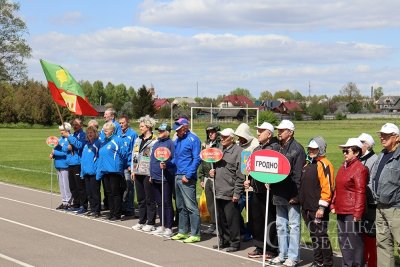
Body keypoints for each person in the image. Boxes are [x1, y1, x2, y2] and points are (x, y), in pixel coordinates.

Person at [268, 120, 306, 267]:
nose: (279, 132)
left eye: (282, 130)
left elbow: (298, 175)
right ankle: (282, 254)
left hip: (292, 194)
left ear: (290, 132)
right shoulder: (278, 148)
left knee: (294, 226)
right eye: (279, 130)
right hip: (278, 192)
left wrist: (296, 196)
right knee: (280, 225)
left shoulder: (297, 149)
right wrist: (269, 180)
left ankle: (293, 257)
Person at [331, 138, 368, 267]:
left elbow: (360, 192)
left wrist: (357, 213)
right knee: (343, 241)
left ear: (356, 153)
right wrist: (333, 204)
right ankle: (347, 264)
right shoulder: (343, 167)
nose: (344, 153)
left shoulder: (359, 169)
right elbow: (338, 188)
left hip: (352, 211)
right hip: (341, 209)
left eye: (347, 151)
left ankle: (357, 264)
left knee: (355, 242)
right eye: (344, 151)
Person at [245, 122, 280, 260]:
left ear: (269, 134)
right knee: (257, 219)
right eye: (258, 130)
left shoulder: (275, 149)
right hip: (257, 190)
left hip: (270, 191)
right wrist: (249, 181)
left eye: (261, 131)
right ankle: (260, 246)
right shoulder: (256, 149)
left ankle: (272, 248)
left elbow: (279, 170)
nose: (258, 133)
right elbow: (252, 168)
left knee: (270, 220)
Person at [299, 137, 334, 267]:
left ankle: (328, 263)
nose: (311, 151)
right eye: (310, 148)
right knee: (314, 236)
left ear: (321, 149)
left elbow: (327, 187)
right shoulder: (308, 163)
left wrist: (322, 207)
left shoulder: (324, 164)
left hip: (317, 208)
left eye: (314, 149)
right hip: (307, 207)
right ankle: (318, 260)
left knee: (321, 236)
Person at [369, 123, 400, 267]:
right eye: (381, 135)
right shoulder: (382, 154)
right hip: (380, 207)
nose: (382, 137)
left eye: (386, 135)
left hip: (396, 208)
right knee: (382, 245)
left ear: (397, 137)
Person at [209, 128, 244, 252]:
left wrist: (237, 193)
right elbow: (217, 167)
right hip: (218, 190)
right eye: (221, 137)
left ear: (232, 138)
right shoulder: (219, 150)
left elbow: (241, 175)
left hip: (230, 191)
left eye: (225, 137)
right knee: (221, 219)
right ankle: (223, 240)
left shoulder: (239, 151)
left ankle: (235, 243)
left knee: (232, 220)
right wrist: (212, 172)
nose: (222, 139)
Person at [168, 118, 202, 243]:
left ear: (185, 127)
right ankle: (182, 231)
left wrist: (188, 175)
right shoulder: (177, 140)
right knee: (180, 206)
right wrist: (167, 164)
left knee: (191, 206)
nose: (176, 132)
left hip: (186, 177)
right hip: (177, 175)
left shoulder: (193, 139)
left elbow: (197, 159)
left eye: (178, 129)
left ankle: (195, 233)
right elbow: (176, 158)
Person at [131, 115, 157, 232]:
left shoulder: (154, 140)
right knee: (141, 198)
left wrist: (152, 173)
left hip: (148, 173)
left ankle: (151, 222)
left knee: (149, 199)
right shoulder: (137, 139)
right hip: (138, 172)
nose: (140, 128)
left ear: (148, 126)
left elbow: (155, 158)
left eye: (142, 126)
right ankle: (141, 221)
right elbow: (134, 155)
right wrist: (133, 170)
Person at [96, 122, 127, 220]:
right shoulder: (104, 141)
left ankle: (117, 214)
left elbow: (124, 153)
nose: (104, 132)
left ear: (112, 130)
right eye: (104, 130)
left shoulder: (117, 140)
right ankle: (111, 212)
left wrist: (118, 165)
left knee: (115, 193)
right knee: (108, 193)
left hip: (114, 171)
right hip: (105, 171)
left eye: (107, 130)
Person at [234, 122, 259, 242]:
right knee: (235, 209)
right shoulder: (238, 144)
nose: (240, 139)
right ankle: (242, 229)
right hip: (239, 182)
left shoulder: (255, 145)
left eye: (242, 137)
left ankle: (250, 232)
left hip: (250, 185)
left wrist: (250, 180)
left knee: (251, 212)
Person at [150, 123, 176, 237]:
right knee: (159, 203)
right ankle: (162, 225)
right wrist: (151, 175)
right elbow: (152, 160)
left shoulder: (170, 144)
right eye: (159, 130)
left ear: (167, 132)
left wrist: (167, 166)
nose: (159, 132)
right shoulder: (156, 143)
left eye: (162, 130)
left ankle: (169, 227)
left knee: (166, 202)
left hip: (165, 178)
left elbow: (174, 160)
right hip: (155, 176)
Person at [358, 133, 378, 267]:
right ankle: (362, 260)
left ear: (367, 145)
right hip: (359, 203)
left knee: (370, 235)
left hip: (370, 203)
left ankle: (372, 263)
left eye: (361, 143)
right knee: (360, 234)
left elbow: (374, 183)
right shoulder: (358, 158)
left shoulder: (374, 159)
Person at [199, 123, 221, 235]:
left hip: (217, 178)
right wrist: (202, 177)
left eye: (212, 132)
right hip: (207, 177)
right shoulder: (205, 144)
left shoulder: (220, 144)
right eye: (209, 132)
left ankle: (220, 226)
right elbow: (202, 162)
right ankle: (213, 224)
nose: (210, 134)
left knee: (218, 204)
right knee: (210, 204)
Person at [62, 118, 87, 214]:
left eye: (76, 124)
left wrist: (69, 137)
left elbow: (80, 145)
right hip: (70, 163)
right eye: (73, 124)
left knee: (80, 186)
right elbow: (65, 147)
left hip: (78, 163)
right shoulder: (72, 135)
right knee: (72, 186)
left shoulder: (82, 135)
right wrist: (67, 147)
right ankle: (76, 203)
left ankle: (83, 205)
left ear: (81, 125)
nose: (74, 126)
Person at [118, 115, 138, 219]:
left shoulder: (133, 134)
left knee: (129, 187)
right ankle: (123, 207)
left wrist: (132, 165)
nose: (121, 125)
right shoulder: (118, 134)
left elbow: (135, 151)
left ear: (127, 123)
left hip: (128, 166)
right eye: (120, 123)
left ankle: (130, 209)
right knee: (121, 187)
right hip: (120, 165)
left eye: (123, 123)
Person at [50, 122, 72, 210]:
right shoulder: (59, 139)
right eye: (60, 130)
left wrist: (55, 153)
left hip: (65, 164)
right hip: (58, 164)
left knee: (66, 184)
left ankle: (69, 202)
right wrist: (53, 155)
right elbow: (55, 149)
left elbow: (66, 153)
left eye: (62, 130)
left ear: (67, 130)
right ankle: (64, 201)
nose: (61, 132)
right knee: (61, 184)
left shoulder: (69, 139)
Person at [80, 126, 101, 217]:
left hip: (94, 173)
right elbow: (83, 159)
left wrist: (98, 171)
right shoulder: (86, 145)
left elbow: (99, 159)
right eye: (88, 133)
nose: (90, 134)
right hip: (86, 172)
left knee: (95, 192)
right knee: (89, 193)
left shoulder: (98, 144)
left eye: (91, 132)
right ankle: (92, 208)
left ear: (95, 133)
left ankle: (97, 210)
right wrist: (82, 171)